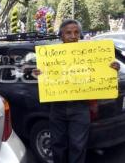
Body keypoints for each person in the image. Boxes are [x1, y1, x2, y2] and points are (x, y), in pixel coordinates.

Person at [33, 19, 120, 163]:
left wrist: (111, 69)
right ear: (61, 36)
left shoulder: (90, 54)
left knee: (78, 146)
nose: (73, 36)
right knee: (57, 145)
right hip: (57, 107)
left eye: (76, 32)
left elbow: (98, 75)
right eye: (68, 33)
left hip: (80, 108)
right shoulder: (50, 56)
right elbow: (47, 78)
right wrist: (39, 74)